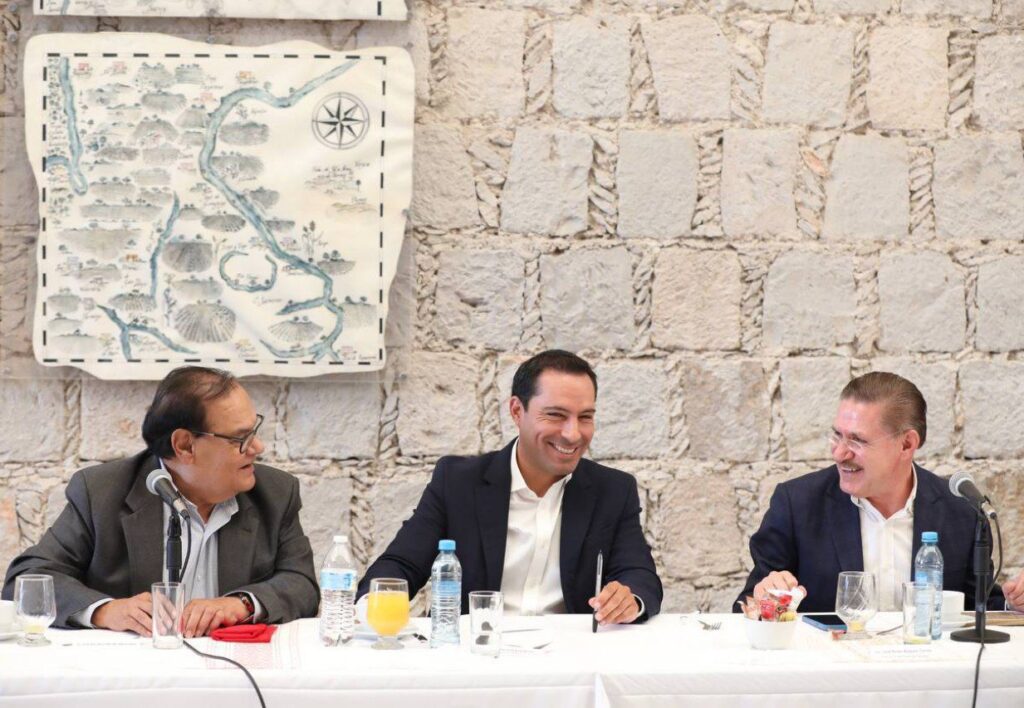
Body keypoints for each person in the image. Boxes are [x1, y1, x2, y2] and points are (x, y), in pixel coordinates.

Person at [2, 366, 319, 637]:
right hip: (132, 676)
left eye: (255, 431)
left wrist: (242, 604)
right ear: (185, 445)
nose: (258, 447)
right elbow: (26, 581)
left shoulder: (276, 493)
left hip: (233, 673)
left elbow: (302, 584)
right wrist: (106, 610)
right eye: (241, 438)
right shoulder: (101, 493)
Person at [358, 350, 662, 625]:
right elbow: (401, 564)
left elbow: (640, 576)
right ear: (517, 411)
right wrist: (375, 605)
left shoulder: (613, 490)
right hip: (475, 652)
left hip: (571, 657)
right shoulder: (458, 482)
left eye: (585, 417)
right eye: (555, 415)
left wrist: (628, 600)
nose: (572, 434)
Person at [737, 371, 1024, 613]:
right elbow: (748, 606)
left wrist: (1015, 605)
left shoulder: (962, 511)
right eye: (837, 435)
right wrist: (765, 598)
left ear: (906, 444)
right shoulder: (797, 504)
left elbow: (977, 608)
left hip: (930, 665)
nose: (839, 453)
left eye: (857, 440)